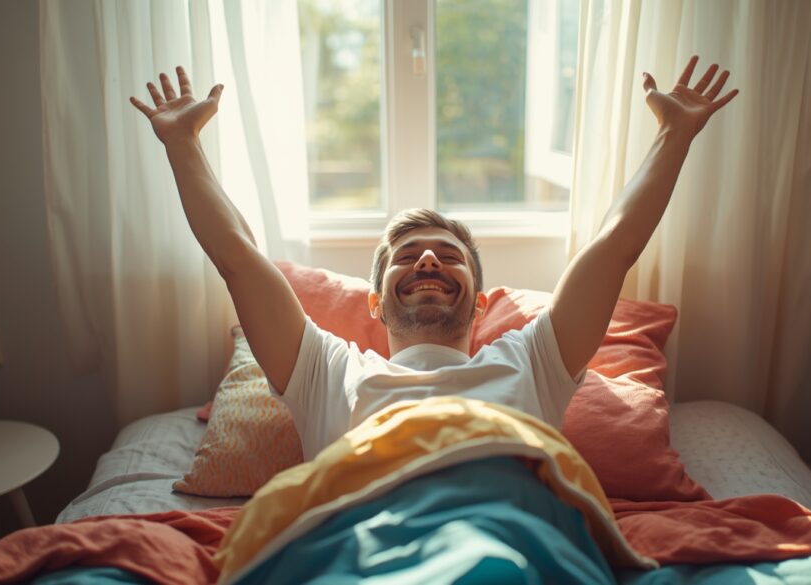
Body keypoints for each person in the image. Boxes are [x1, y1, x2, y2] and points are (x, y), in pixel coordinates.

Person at [131, 57, 735, 582]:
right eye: (407, 255)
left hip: (514, 528)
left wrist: (674, 137)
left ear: (477, 302)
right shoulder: (325, 367)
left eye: (449, 256)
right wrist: (183, 147)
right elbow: (238, 258)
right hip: (356, 538)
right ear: (375, 302)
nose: (427, 258)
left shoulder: (533, 358)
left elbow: (615, 244)